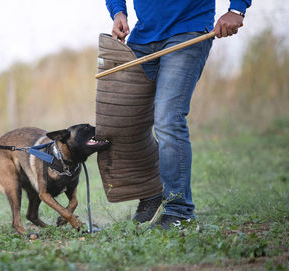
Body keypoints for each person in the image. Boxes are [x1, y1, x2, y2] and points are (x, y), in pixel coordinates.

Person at [105, 0, 251, 229]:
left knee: (168, 119)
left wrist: (237, 9)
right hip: (143, 38)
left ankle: (178, 210)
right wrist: (118, 12)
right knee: (124, 122)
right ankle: (152, 194)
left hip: (188, 31)